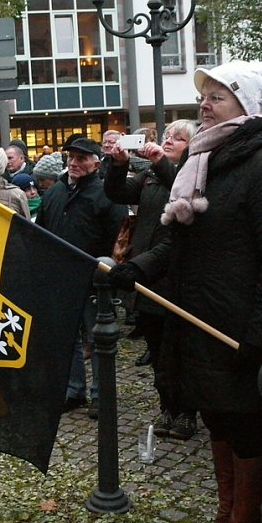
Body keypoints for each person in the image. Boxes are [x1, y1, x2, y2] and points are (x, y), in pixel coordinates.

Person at [133, 61, 262, 523]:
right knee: (219, 423)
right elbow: (175, 244)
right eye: (204, 98)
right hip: (199, 323)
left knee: (246, 431)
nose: (204, 104)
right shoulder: (201, 164)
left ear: (245, 108)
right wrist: (136, 268)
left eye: (217, 97)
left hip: (238, 330)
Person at [106, 119, 199, 441]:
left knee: (182, 351)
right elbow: (117, 192)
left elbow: (179, 189)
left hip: (180, 276)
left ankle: (187, 412)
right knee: (158, 350)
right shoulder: (147, 176)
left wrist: (160, 162)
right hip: (147, 274)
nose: (169, 141)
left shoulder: (194, 174)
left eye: (178, 138)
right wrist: (117, 165)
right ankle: (167, 407)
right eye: (167, 136)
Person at [36, 138, 127, 419]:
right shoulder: (56, 192)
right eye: (71, 158)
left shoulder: (107, 194)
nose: (74, 163)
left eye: (82, 158)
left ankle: (102, 395)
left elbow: (117, 239)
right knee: (67, 339)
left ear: (97, 163)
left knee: (100, 340)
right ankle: (74, 390)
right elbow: (43, 231)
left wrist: (106, 274)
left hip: (93, 281)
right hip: (60, 277)